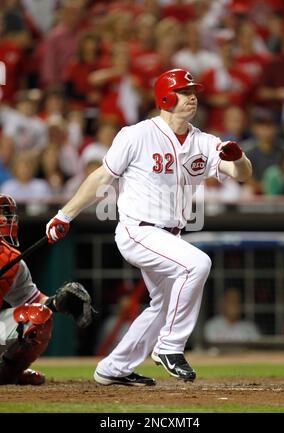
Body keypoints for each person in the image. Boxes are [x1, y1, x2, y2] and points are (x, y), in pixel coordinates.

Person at [46, 68, 252, 386]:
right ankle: (169, 348)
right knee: (198, 263)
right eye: (184, 91)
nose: (192, 96)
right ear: (166, 97)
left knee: (164, 304)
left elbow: (242, 174)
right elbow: (102, 177)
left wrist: (237, 158)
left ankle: (113, 368)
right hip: (138, 230)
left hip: (169, 235)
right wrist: (65, 214)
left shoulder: (204, 141)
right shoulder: (137, 134)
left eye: (193, 90)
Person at [0, 194, 94, 385]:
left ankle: (8, 373)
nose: (5, 219)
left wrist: (59, 301)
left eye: (5, 214)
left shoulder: (11, 260)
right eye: (0, 214)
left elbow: (32, 301)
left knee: (38, 316)